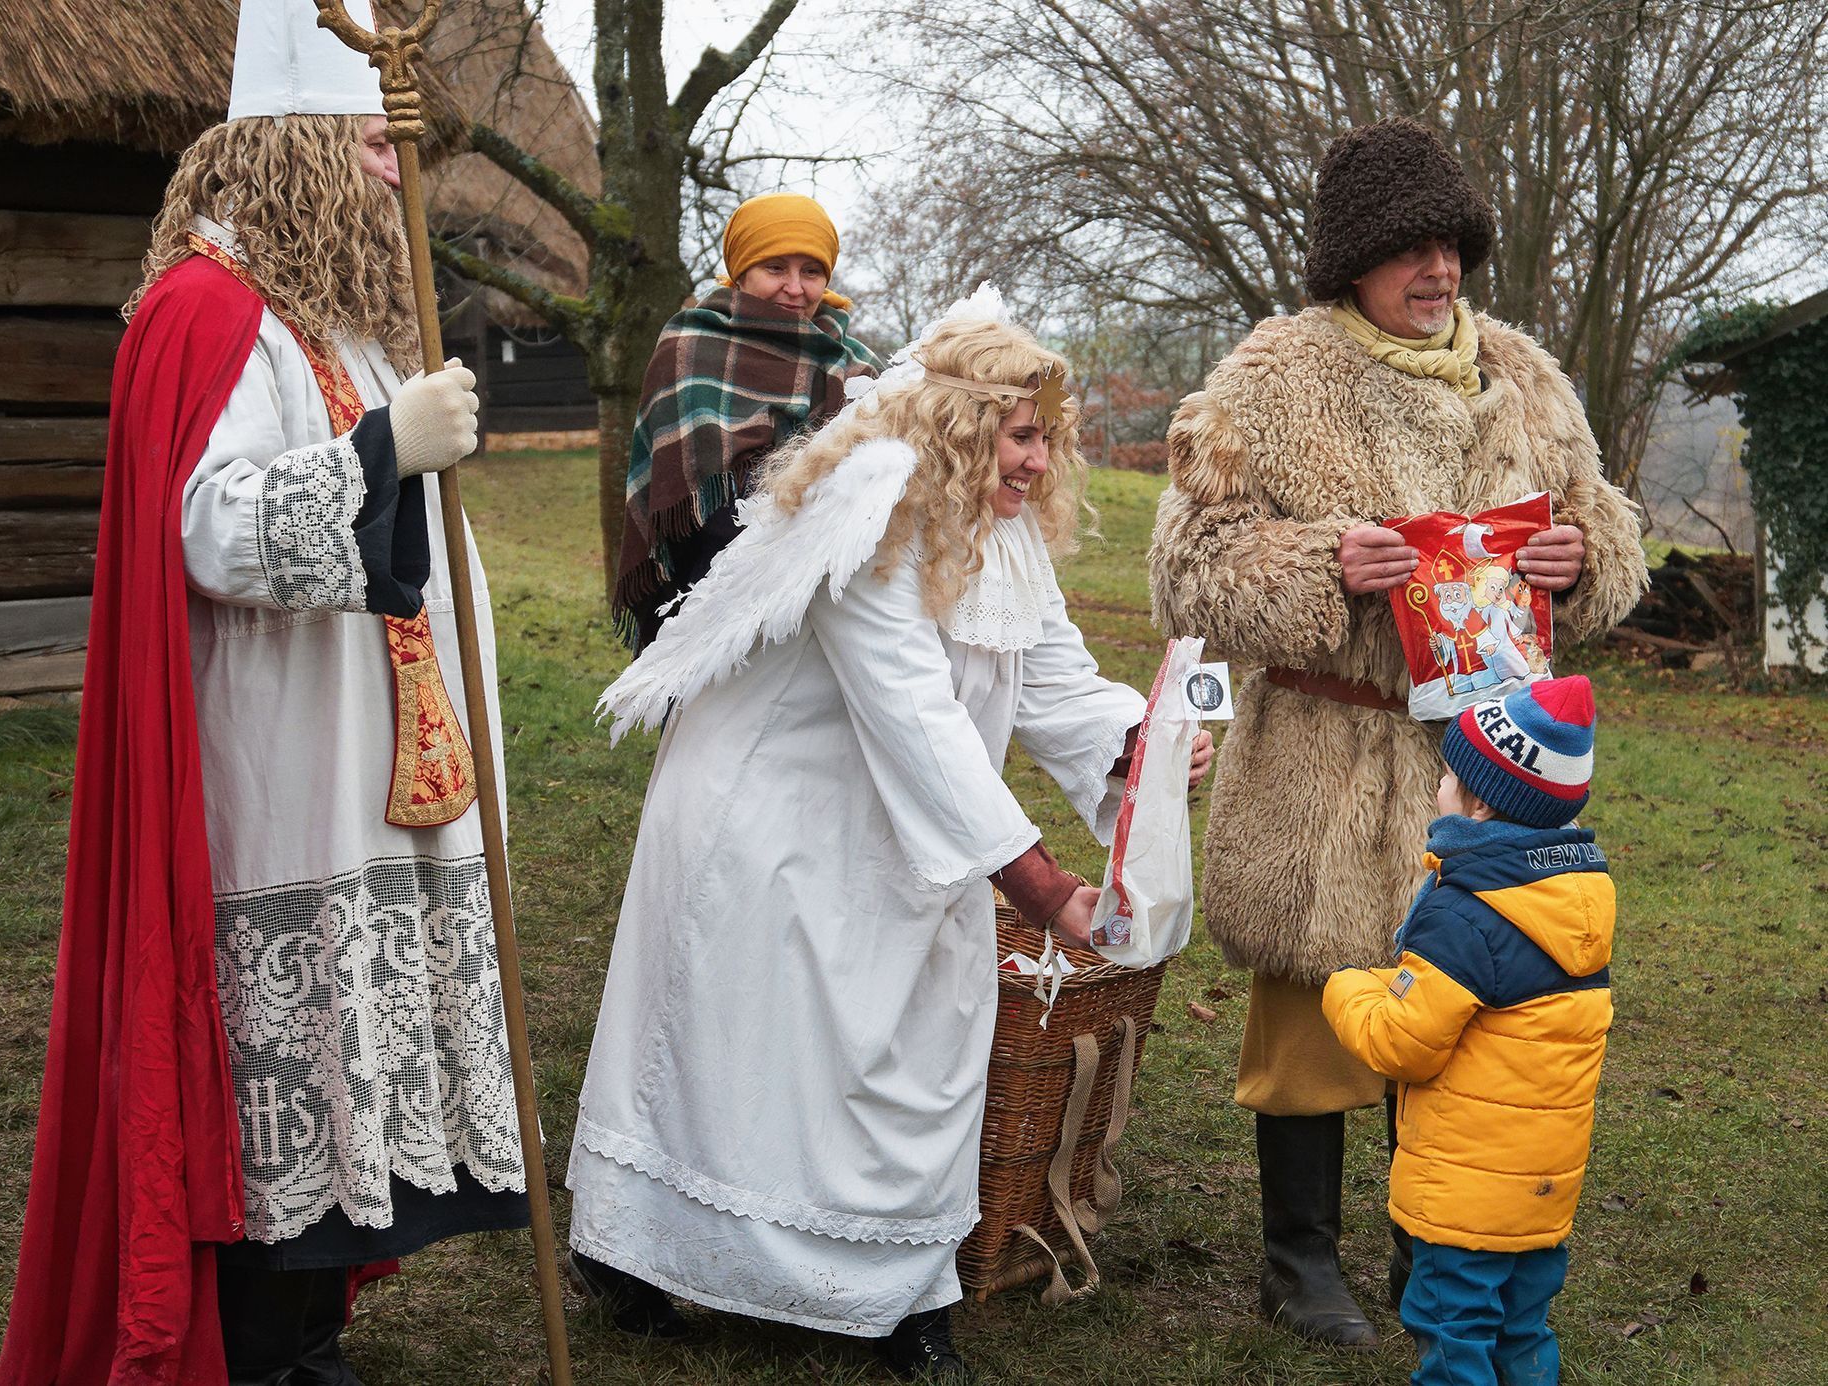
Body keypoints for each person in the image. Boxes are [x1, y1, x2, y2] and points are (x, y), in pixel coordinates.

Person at [0, 3, 526, 1382]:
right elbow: (213, 527)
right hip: (270, 774)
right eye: (367, 147)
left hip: (375, 753)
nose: (395, 173)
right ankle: (252, 1345)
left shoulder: (343, 322)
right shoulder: (204, 306)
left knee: (354, 1102)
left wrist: (394, 431)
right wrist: (377, 456)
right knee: (280, 1093)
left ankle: (302, 1336)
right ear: (288, 143)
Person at [567, 289, 1210, 1380]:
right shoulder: (870, 514)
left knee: (912, 1046)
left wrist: (1133, 746)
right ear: (959, 427)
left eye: (1045, 439)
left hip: (897, 825)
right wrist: (1045, 884)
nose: (1038, 464)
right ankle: (639, 1253)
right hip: (771, 823)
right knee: (753, 1060)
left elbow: (1047, 671)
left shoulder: (999, 534)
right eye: (1019, 436)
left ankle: (901, 1290)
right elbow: (912, 712)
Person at [1147, 115, 1648, 1348]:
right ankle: (1298, 1261)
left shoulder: (1523, 380)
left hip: (1477, 758)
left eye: (1450, 249)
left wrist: (1574, 561)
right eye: (1407, 251)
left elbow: (1609, 541)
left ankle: (1433, 1236)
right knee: (1315, 1001)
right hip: (1320, 749)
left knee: (1458, 1001)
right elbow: (1186, 572)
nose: (1436, 273)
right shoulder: (1269, 383)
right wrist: (1323, 559)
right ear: (1349, 262)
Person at [1323, 676, 1612, 1385]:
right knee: (1521, 1332)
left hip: (1464, 1198)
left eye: (1449, 775)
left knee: (1454, 1337)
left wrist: (1346, 988)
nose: (1439, 788)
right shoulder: (1578, 896)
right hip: (1541, 1190)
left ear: (1479, 803)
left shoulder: (1464, 913)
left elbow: (1403, 1044)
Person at [612, 191, 884, 651]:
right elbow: (701, 503)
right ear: (741, 272)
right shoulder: (691, 347)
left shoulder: (853, 362)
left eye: (811, 271)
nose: (795, 288)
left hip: (835, 595)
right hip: (711, 592)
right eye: (775, 268)